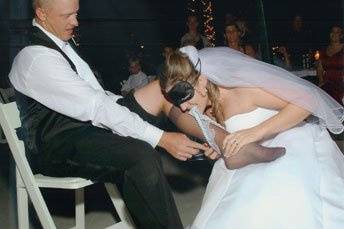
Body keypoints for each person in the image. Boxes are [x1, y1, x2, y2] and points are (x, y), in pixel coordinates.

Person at [8, 1, 210, 228]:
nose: (75, 22)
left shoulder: (61, 44)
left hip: (90, 127)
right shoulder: (35, 58)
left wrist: (126, 105)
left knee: (162, 89)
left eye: (76, 13)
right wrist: (162, 138)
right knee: (141, 156)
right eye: (67, 16)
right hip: (58, 144)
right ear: (42, 14)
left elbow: (98, 97)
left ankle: (210, 140)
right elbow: (96, 106)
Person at [159, 46, 344, 229]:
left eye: (184, 98)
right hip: (250, 156)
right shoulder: (203, 107)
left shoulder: (242, 90)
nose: (183, 109)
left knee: (270, 199)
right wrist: (217, 149)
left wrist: (254, 133)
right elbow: (234, 139)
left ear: (201, 82)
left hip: (289, 139)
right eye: (177, 102)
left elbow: (308, 99)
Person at [317, 24, 344, 105]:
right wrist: (321, 81)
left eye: (337, 32)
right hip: (327, 82)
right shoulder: (324, 50)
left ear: (341, 35)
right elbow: (320, 68)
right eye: (332, 31)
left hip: (341, 82)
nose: (334, 34)